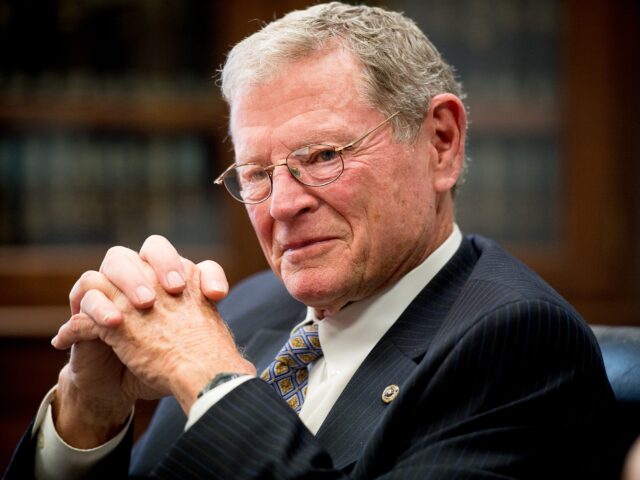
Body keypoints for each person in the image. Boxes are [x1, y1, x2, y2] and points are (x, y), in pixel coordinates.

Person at [4, 2, 615, 479]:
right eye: (255, 174)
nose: (283, 204)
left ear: (441, 143)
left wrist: (213, 377)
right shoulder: (246, 307)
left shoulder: (520, 347)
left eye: (323, 155)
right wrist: (88, 419)